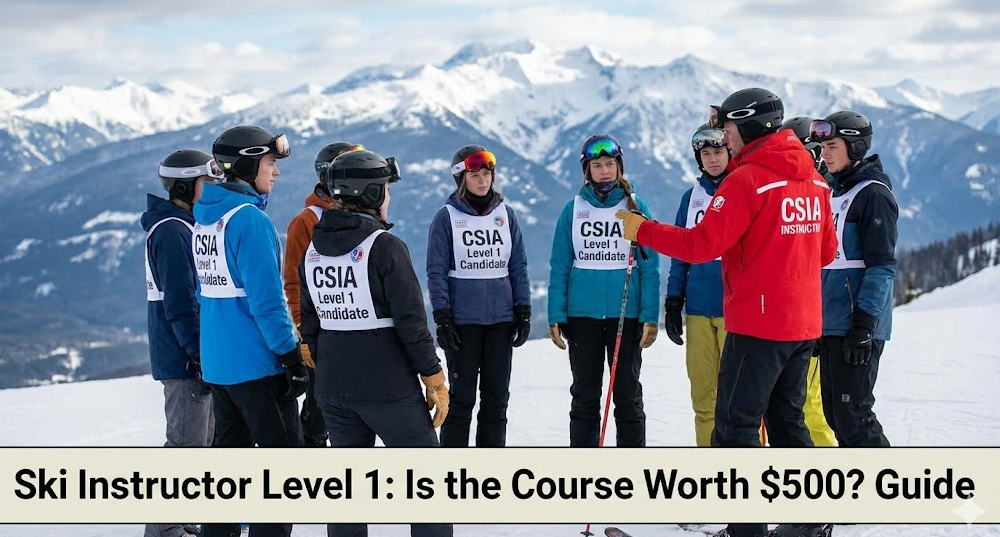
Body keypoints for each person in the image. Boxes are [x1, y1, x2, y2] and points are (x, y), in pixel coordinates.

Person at [616, 88, 837, 537]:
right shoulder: (814, 180)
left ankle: (746, 530)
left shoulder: (748, 180)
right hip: (802, 323)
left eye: (729, 130)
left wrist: (643, 230)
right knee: (786, 420)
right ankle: (809, 522)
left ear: (750, 127)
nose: (725, 139)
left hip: (758, 326)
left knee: (734, 429)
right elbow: (826, 252)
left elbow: (701, 245)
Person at [299, 149, 453, 537]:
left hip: (333, 388)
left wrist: (330, 365)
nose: (389, 196)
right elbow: (412, 324)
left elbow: (312, 325)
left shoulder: (312, 251)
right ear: (370, 194)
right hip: (389, 389)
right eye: (385, 188)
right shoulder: (384, 247)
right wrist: (433, 377)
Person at [195, 125, 305, 537]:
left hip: (220, 365)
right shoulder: (250, 222)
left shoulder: (207, 220)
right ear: (245, 164)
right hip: (256, 365)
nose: (275, 172)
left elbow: (203, 292)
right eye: (271, 163)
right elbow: (267, 301)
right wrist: (291, 356)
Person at [547, 134, 660, 448]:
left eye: (610, 164)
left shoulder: (636, 207)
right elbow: (559, 265)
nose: (605, 171)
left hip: (628, 314)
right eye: (597, 165)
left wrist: (651, 317)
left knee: (627, 396)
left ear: (619, 167)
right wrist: (556, 314)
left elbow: (650, 267)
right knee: (584, 397)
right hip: (583, 316)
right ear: (588, 170)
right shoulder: (574, 210)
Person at [426, 144, 531, 447]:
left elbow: (518, 266)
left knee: (497, 401)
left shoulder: (505, 215)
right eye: (475, 176)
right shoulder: (446, 218)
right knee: (461, 402)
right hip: (463, 323)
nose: (483, 181)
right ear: (461, 179)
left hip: (501, 321)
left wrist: (523, 310)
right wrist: (443, 318)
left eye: (487, 174)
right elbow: (436, 272)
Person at [141, 149, 221, 537]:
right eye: (208, 182)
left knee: (200, 445)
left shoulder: (182, 225)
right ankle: (165, 529)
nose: (214, 189)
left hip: (188, 352)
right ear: (186, 187)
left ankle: (181, 521)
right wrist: (197, 353)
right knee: (186, 447)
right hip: (183, 356)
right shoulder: (173, 231)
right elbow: (180, 301)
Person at [810, 111, 897, 448]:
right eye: (823, 147)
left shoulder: (873, 195)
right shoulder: (833, 192)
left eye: (832, 146)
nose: (825, 154)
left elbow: (882, 266)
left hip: (858, 326)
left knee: (854, 415)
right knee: (835, 415)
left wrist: (864, 325)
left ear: (856, 147)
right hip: (832, 323)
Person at [283, 141, 365, 447]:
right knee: (320, 413)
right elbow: (292, 283)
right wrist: (304, 332)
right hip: (323, 334)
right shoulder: (307, 221)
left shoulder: (364, 214)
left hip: (357, 330)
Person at [665, 123, 730, 447]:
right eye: (706, 153)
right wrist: (674, 299)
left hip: (736, 310)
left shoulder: (741, 190)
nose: (713, 159)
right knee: (704, 400)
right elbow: (680, 252)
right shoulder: (690, 198)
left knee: (741, 401)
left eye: (718, 151)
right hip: (699, 311)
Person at [778, 117, 837, 448]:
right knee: (789, 404)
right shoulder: (806, 187)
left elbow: (826, 260)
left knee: (808, 405)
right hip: (795, 316)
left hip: (813, 316)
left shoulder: (819, 190)